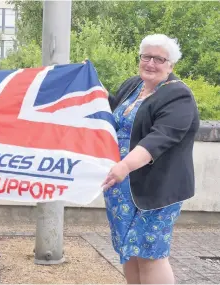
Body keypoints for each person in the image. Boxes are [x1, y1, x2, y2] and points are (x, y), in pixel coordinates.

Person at [101, 34, 199, 284]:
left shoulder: (178, 96)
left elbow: (160, 137)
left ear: (171, 65)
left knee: (150, 254)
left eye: (159, 59)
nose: (151, 63)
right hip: (121, 187)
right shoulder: (133, 85)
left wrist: (125, 164)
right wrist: (96, 89)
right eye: (146, 57)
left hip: (156, 189)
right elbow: (114, 115)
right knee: (129, 252)